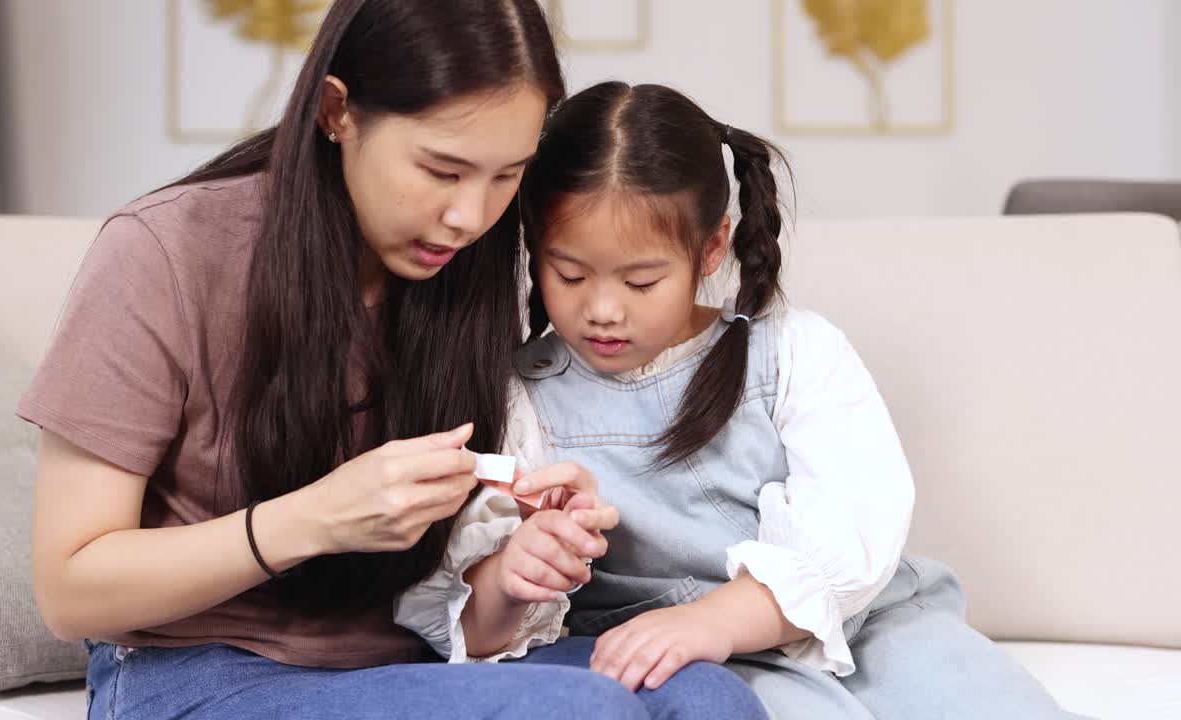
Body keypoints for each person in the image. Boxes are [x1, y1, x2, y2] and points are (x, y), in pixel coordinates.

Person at [19, 3, 762, 717]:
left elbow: (456, 596)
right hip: (203, 669)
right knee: (577, 709)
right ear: (338, 111)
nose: (471, 217)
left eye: (507, 176)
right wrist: (315, 519)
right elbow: (69, 589)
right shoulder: (166, 252)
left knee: (703, 694)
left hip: (418, 659)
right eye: (442, 170)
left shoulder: (466, 264)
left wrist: (519, 533)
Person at [403, 80, 1080, 719]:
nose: (602, 310)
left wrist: (716, 619)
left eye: (641, 282)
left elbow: (855, 522)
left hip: (865, 622)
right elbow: (479, 624)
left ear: (712, 247)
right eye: (569, 273)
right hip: (692, 660)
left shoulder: (793, 353)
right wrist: (509, 575)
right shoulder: (524, 397)